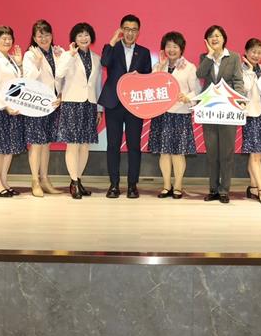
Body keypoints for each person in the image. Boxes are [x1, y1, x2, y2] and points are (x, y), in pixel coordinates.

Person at [99, 14, 152, 199]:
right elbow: (104, 62)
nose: (130, 33)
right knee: (113, 145)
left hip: (134, 105)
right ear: (121, 30)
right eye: (127, 29)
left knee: (134, 146)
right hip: (113, 103)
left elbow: (148, 77)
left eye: (134, 30)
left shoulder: (144, 52)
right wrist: (113, 40)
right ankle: (114, 185)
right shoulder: (111, 48)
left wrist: (140, 78)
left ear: (138, 32)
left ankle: (132, 185)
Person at [195, 25, 246, 203]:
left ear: (224, 38)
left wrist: (240, 100)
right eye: (211, 36)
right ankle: (213, 189)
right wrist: (210, 55)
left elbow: (238, 80)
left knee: (226, 152)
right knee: (212, 152)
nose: (214, 38)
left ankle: (224, 190)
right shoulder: (205, 57)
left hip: (228, 110)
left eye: (217, 35)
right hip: (209, 110)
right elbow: (200, 74)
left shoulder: (234, 57)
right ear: (207, 41)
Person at [150, 31, 199, 199]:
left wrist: (187, 98)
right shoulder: (158, 66)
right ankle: (166, 186)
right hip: (161, 114)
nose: (171, 50)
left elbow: (196, 91)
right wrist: (160, 67)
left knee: (178, 152)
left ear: (181, 49)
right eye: (168, 46)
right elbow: (151, 86)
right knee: (164, 152)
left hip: (180, 113)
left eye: (175, 46)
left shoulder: (190, 67)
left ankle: (177, 186)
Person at [56, 22, 102, 199]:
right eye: (80, 35)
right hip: (72, 104)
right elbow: (59, 74)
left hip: (89, 104)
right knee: (73, 144)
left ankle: (78, 180)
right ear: (74, 38)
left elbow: (97, 85)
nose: (84, 38)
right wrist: (70, 56)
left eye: (86, 34)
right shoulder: (67, 55)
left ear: (91, 37)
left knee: (84, 145)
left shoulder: (96, 58)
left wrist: (99, 108)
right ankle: (74, 182)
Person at [22, 19, 64, 197]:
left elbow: (63, 77)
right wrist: (38, 62)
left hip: (53, 105)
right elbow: (28, 79)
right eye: (40, 35)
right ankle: (35, 181)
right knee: (36, 144)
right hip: (36, 105)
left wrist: (61, 95)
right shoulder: (30, 55)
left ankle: (45, 180)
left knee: (47, 144)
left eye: (47, 34)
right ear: (34, 38)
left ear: (52, 35)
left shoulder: (58, 53)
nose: (44, 38)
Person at [0, 25, 26, 197]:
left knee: (9, 148)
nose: (7, 41)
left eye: (9, 38)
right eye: (4, 38)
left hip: (12, 108)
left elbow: (18, 82)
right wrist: (5, 105)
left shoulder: (10, 59)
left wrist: (20, 64)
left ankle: (3, 181)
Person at [241, 38, 261, 206]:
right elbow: (245, 88)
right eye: (253, 51)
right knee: (255, 153)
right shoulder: (240, 69)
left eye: (259, 52)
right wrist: (250, 70)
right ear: (246, 52)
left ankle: (253, 186)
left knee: (256, 153)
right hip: (251, 115)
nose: (256, 55)